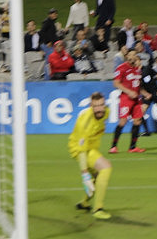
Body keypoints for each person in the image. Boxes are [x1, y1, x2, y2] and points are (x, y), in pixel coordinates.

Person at [68, 92, 113, 220]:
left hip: (92, 148)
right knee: (105, 168)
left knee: (97, 177)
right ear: (90, 106)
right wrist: (84, 173)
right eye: (95, 106)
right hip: (79, 149)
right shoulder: (85, 122)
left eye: (101, 105)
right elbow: (82, 150)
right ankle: (98, 208)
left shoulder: (106, 112)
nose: (99, 109)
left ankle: (84, 203)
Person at [109, 50, 152, 154]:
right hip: (126, 98)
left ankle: (132, 147)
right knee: (122, 122)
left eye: (134, 55)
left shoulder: (137, 70)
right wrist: (129, 92)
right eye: (130, 54)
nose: (132, 56)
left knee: (137, 121)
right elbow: (116, 83)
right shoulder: (121, 68)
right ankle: (113, 147)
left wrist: (145, 93)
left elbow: (138, 86)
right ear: (127, 56)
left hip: (137, 99)